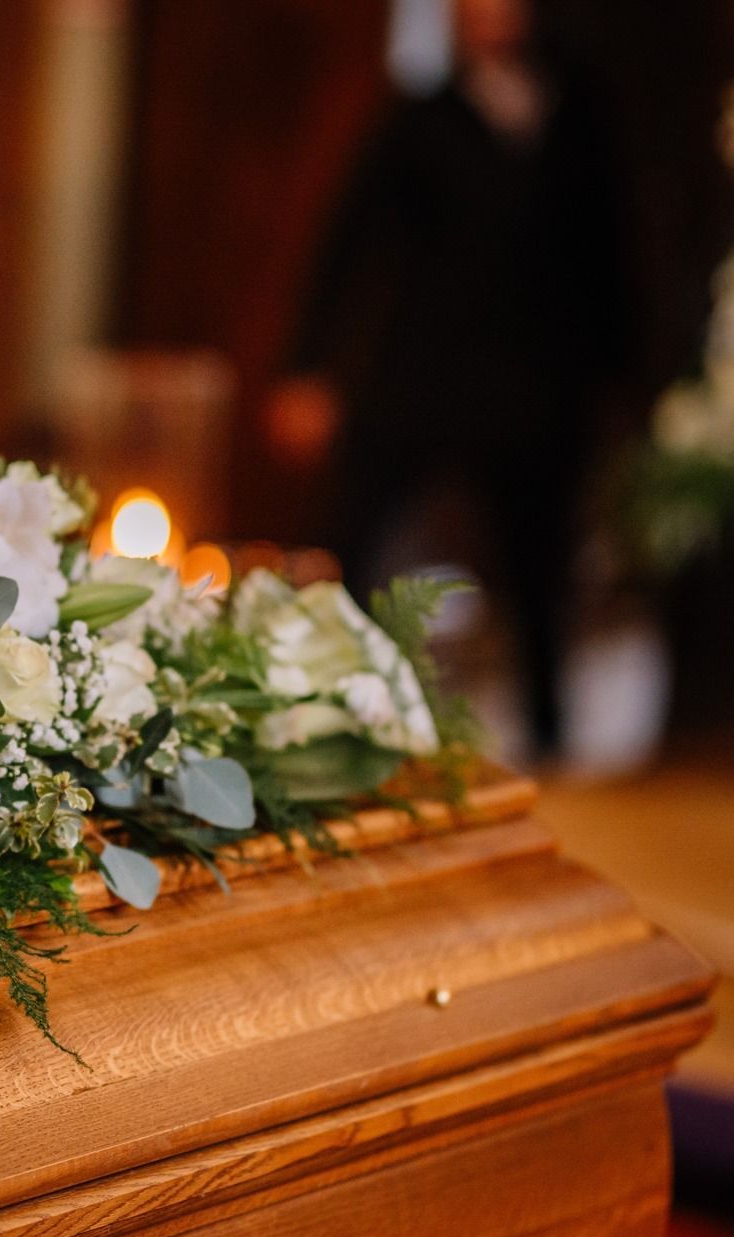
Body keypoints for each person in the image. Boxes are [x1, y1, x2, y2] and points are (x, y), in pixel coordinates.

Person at [270, 0, 633, 759]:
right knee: (351, 542)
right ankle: (316, 707)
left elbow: (612, 258)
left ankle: (548, 739)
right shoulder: (419, 118)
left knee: (541, 572)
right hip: (423, 374)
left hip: (538, 380)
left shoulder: (579, 115)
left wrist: (624, 379)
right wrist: (310, 369)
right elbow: (348, 245)